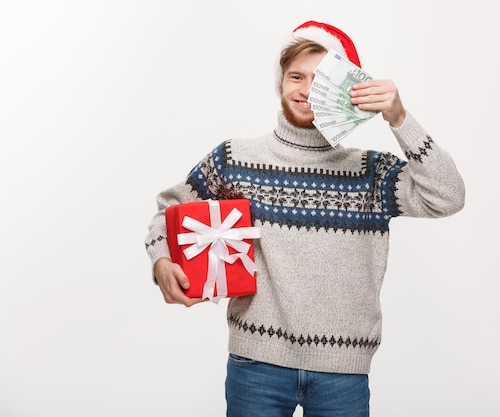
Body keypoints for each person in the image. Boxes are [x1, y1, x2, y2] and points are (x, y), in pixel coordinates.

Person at [145, 20, 465, 417]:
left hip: (342, 373)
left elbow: (448, 197)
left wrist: (400, 118)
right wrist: (161, 260)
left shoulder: (371, 172)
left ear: (346, 93)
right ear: (280, 82)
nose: (305, 89)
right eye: (296, 76)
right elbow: (168, 210)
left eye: (321, 80)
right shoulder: (235, 159)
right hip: (255, 365)